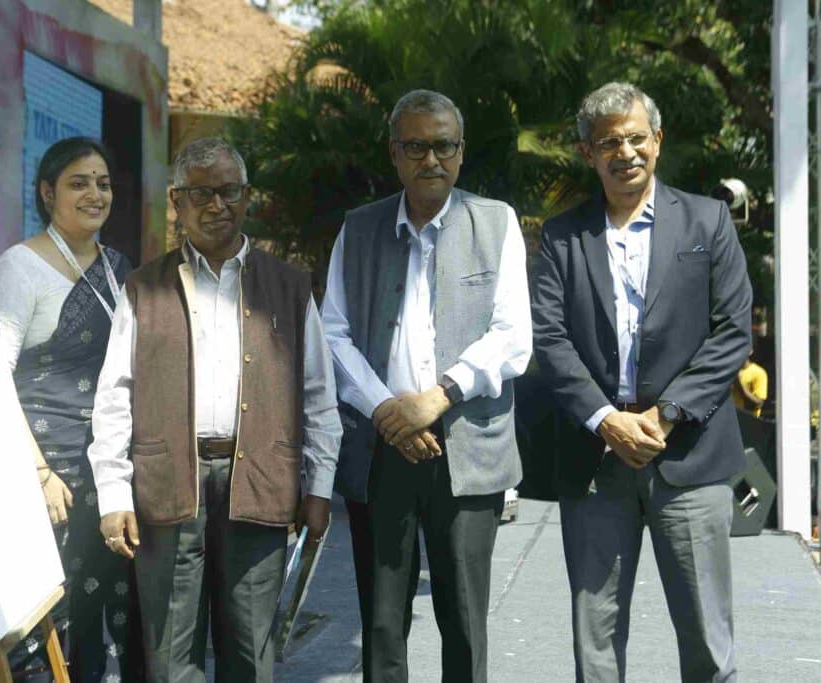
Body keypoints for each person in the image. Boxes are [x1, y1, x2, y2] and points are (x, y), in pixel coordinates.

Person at [87, 137, 341, 682]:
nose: (216, 204)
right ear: (176, 202)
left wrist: (319, 488)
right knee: (170, 654)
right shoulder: (143, 288)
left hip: (261, 483)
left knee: (251, 650)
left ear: (246, 198)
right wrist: (113, 494)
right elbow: (114, 396)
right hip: (168, 487)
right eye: (201, 192)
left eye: (229, 191)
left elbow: (318, 395)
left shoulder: (290, 288)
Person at [531, 82, 752, 682]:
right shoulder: (560, 237)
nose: (624, 152)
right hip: (595, 458)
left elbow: (732, 333)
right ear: (587, 152)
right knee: (595, 641)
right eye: (609, 142)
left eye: (635, 138)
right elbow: (549, 340)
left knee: (708, 638)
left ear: (657, 140)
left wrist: (665, 414)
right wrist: (606, 419)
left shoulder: (707, 221)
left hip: (690, 453)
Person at [321, 89, 532, 682]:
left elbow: (514, 335)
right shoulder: (358, 230)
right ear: (394, 154)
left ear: (461, 153)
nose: (430, 159)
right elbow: (332, 334)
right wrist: (388, 409)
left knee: (463, 619)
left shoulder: (496, 222)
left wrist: (436, 398)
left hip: (467, 449)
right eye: (415, 146)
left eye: (443, 146)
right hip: (382, 447)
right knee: (383, 622)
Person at [0, 137, 139, 682]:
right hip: (47, 477)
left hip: (111, 471)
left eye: (102, 183)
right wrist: (38, 471)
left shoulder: (119, 267)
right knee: (49, 625)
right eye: (79, 182)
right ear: (48, 192)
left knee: (108, 619)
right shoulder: (21, 267)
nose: (95, 193)